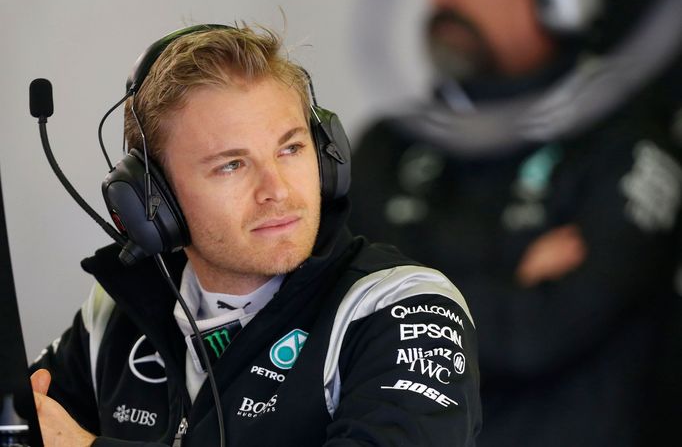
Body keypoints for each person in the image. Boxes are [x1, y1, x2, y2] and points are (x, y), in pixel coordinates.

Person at [29, 24, 481, 446]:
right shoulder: (114, 314)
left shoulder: (402, 306)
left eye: (291, 148)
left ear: (328, 157)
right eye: (231, 164)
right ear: (153, 199)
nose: (277, 190)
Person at [348, 0, 682, 446]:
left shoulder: (628, 148)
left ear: (559, 2)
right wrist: (512, 281)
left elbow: (536, 337)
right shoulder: (387, 145)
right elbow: (351, 325)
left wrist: (411, 296)